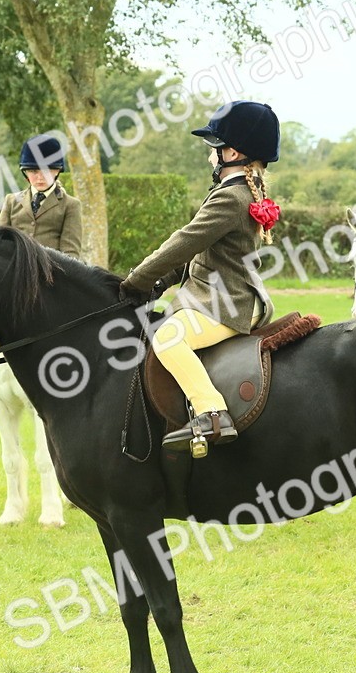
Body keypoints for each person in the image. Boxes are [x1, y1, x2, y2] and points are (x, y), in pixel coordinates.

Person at [120, 101, 280, 456]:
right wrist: (164, 282)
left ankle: (211, 412)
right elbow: (204, 251)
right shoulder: (241, 192)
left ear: (233, 152)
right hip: (223, 294)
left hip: (228, 301)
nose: (210, 157)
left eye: (214, 150)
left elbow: (185, 241)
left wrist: (136, 280)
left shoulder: (231, 197)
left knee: (168, 339)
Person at [0, 134, 85, 404]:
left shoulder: (70, 206)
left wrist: (43, 273)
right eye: (33, 171)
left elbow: (70, 251)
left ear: (57, 171)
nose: (39, 177)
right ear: (26, 173)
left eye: (46, 170)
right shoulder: (13, 201)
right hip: (11, 278)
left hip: (48, 278)